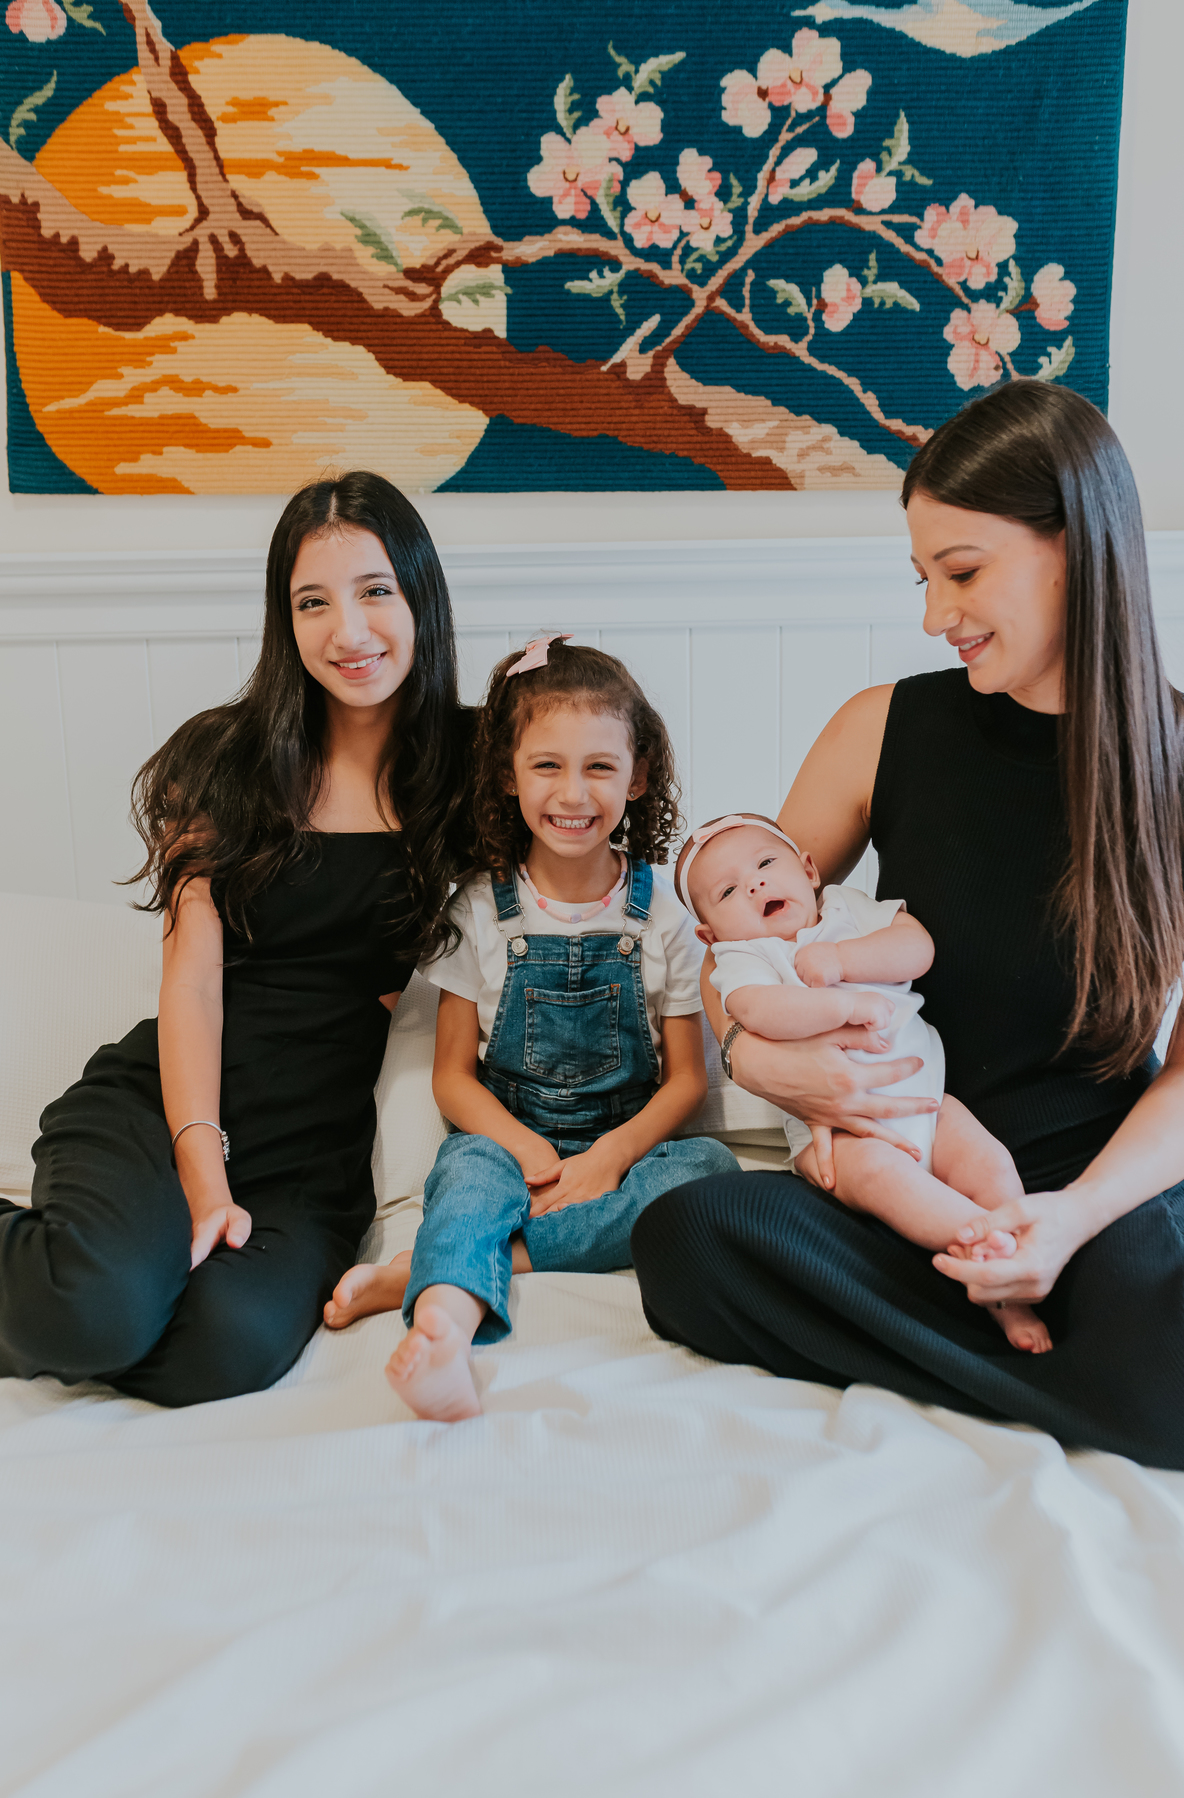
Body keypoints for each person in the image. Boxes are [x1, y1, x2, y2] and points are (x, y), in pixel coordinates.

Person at [631, 380, 1184, 1468]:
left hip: (1088, 1193)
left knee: (1169, 1360)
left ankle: (1027, 1340)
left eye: (964, 572)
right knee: (684, 1239)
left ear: (1074, 546)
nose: (937, 614)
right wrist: (760, 1059)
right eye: (925, 577)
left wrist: (1065, 1223)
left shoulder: (1175, 765)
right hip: (894, 1177)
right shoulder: (881, 728)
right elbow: (742, 940)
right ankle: (1044, 1365)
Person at [0, 471, 471, 1407]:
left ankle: (111, 1286)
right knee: (94, 1310)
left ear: (421, 597)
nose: (350, 631)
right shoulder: (227, 758)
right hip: (168, 1107)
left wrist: (555, 670)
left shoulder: (468, 770)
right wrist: (204, 1179)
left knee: (221, 1352)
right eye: (313, 602)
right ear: (284, 621)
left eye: (377, 591)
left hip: (311, 1155)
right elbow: (195, 982)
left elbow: (600, 790)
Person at [325, 637, 738, 1419]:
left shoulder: (665, 919)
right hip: (511, 1141)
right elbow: (453, 1076)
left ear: (638, 774)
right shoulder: (479, 908)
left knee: (708, 1170)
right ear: (508, 774)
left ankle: (457, 1263)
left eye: (600, 766)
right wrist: (528, 1150)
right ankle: (444, 1325)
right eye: (547, 765)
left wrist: (609, 1159)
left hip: (623, 1147)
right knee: (465, 1172)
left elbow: (687, 1077)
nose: (572, 792)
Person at [676, 811, 1049, 1352]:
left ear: (807, 870)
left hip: (928, 1103)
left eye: (764, 863)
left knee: (988, 1159)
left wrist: (843, 959)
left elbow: (916, 947)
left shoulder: (848, 910)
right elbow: (756, 1011)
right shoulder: (743, 956)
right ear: (710, 933)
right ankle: (989, 1243)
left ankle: (1012, 1275)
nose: (755, 882)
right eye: (729, 890)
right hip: (841, 1136)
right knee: (879, 1173)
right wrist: (843, 1002)